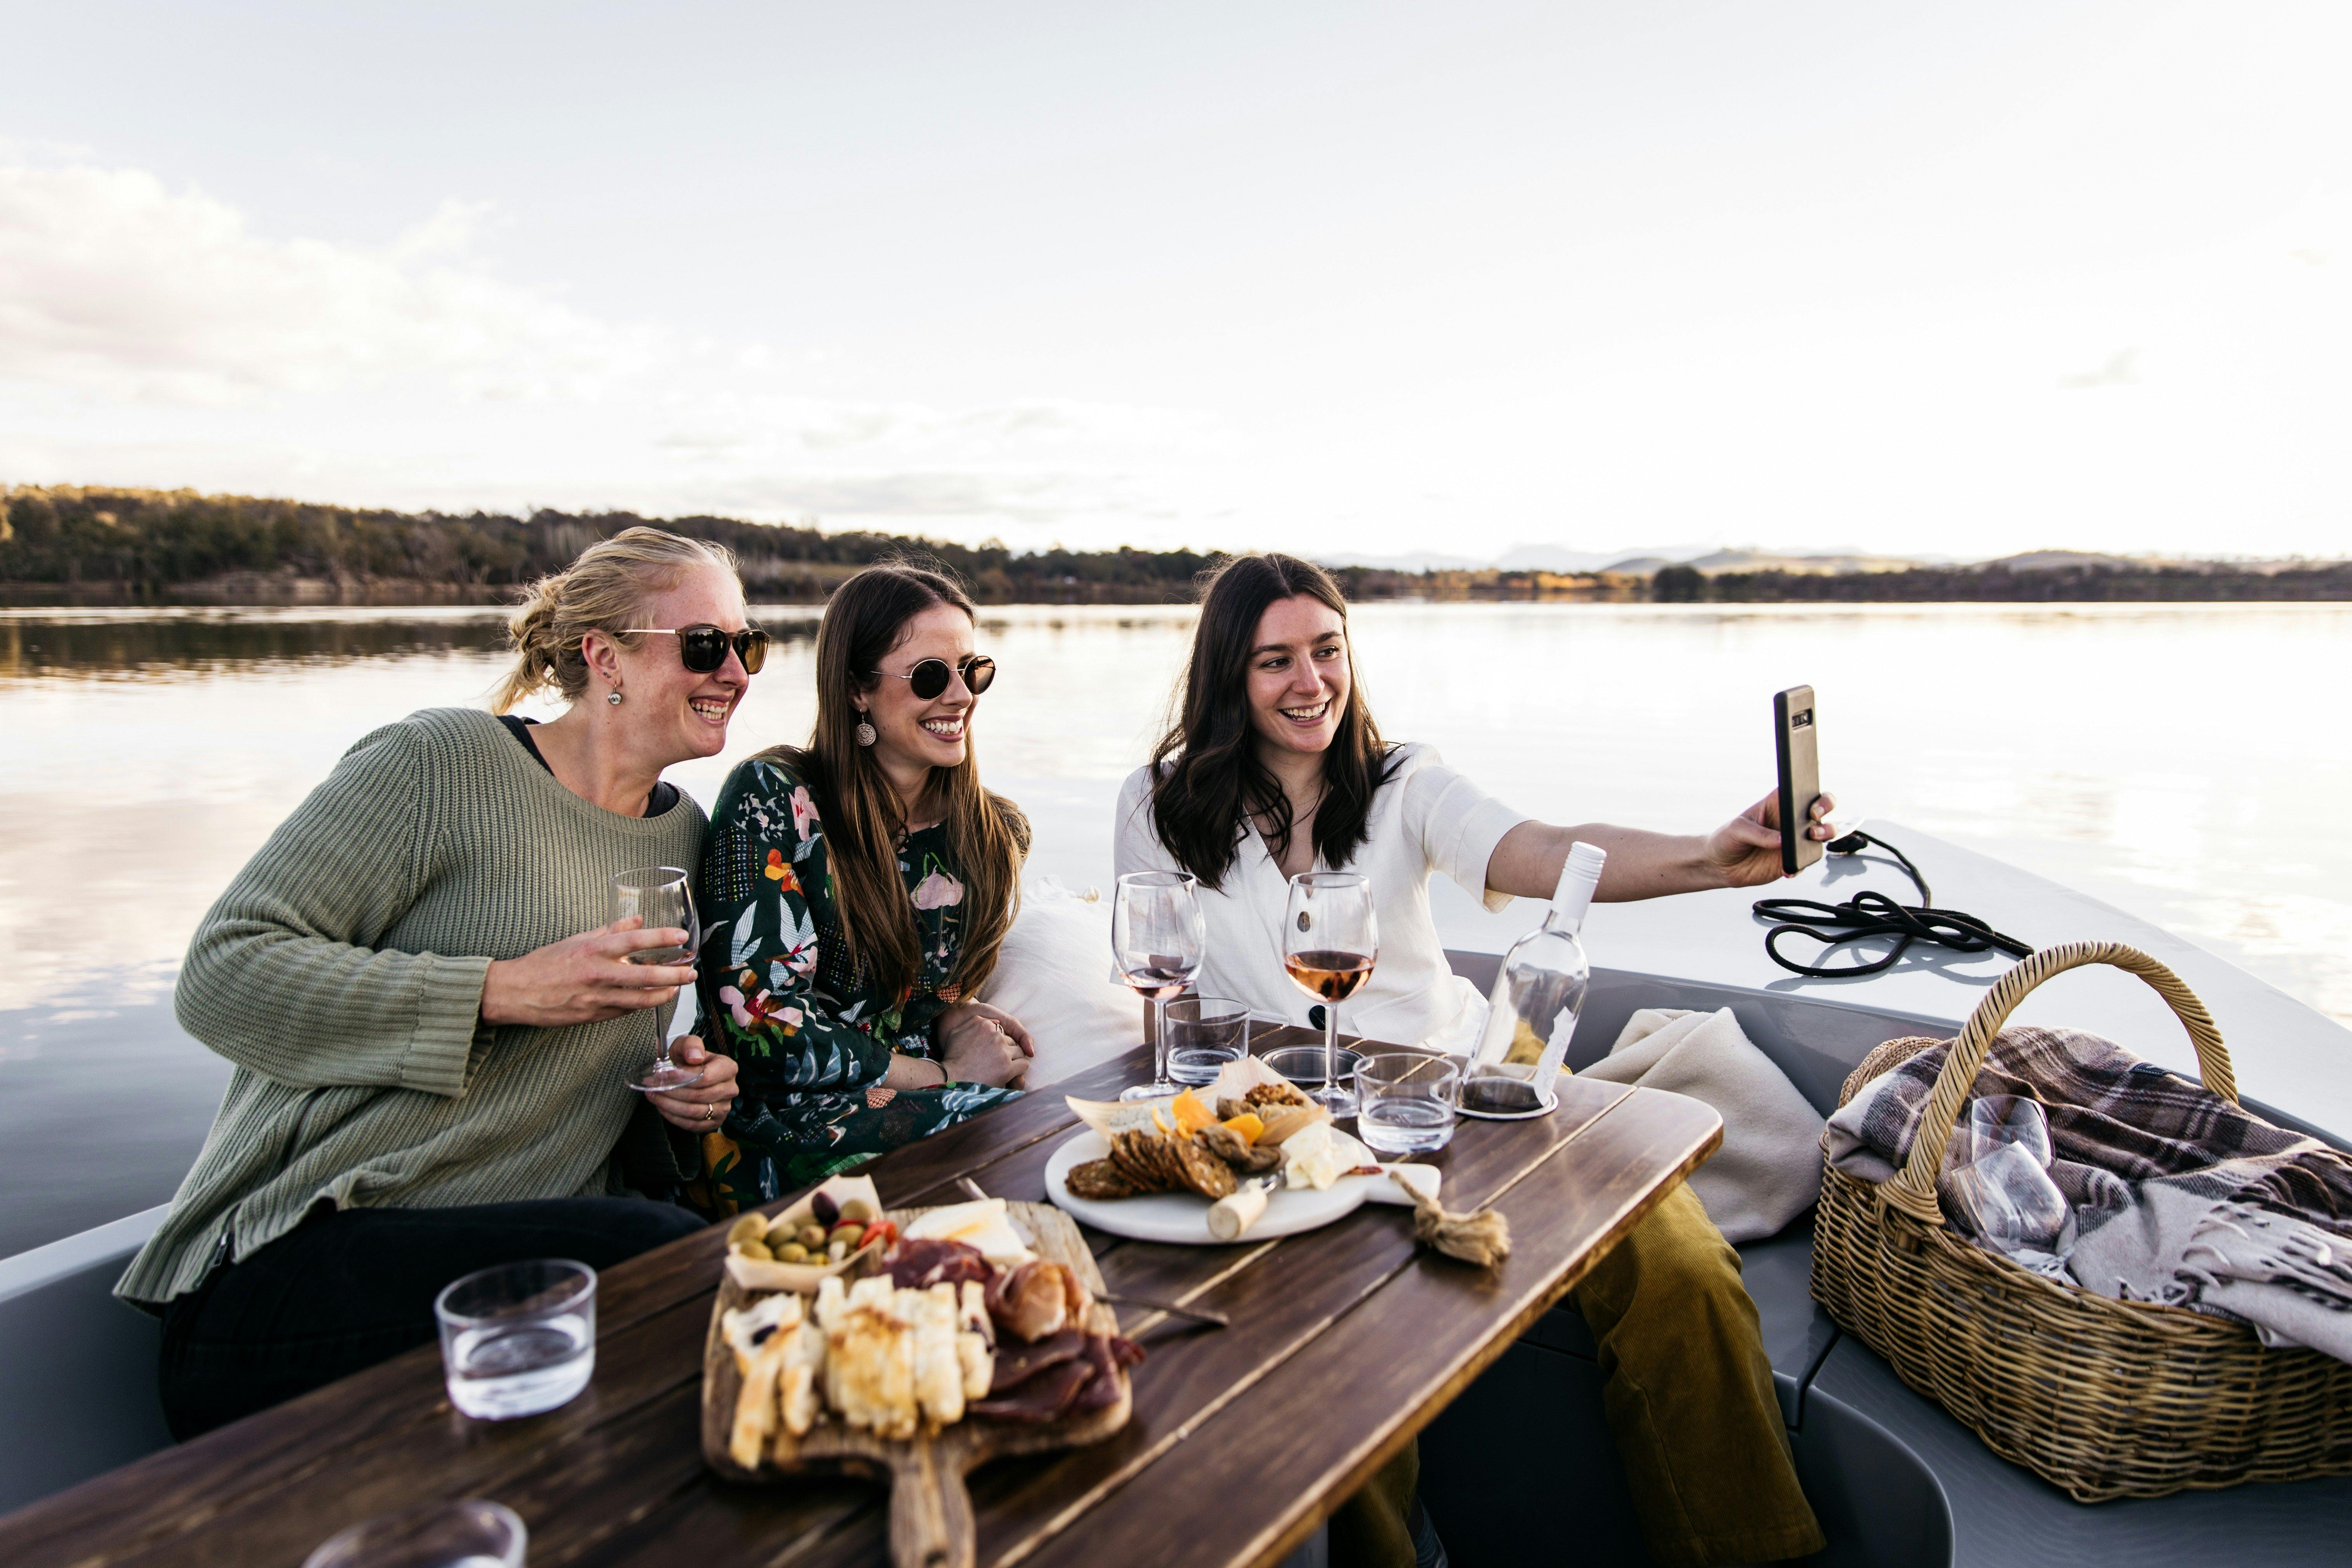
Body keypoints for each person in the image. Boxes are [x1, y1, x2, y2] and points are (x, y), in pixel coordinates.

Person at [1114, 552, 1831, 1568]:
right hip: (1283, 1132)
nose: (1310, 682)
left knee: (1684, 1269)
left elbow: (1535, 850)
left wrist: (1710, 860)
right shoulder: (1153, 805)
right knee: (1339, 1373)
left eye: (1327, 651)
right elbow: (1166, 996)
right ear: (1227, 676)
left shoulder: (1404, 783)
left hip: (1466, 1096)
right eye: (1275, 662)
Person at [119, 527, 757, 1439]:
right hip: (287, 1277)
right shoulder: (439, 765)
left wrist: (678, 1092)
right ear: (603, 655)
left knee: (698, 1262)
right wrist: (496, 990)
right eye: (706, 645)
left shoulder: (682, 835)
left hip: (508, 1275)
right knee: (660, 1268)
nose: (734, 670)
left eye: (749, 646)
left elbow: (569, 1091)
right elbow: (223, 969)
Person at [690, 562, 1035, 1211]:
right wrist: (945, 1075)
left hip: (931, 1094)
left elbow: (936, 990)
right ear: (857, 690)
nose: (961, 695)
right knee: (1016, 1134)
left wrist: (957, 1016)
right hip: (794, 1114)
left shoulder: (994, 834)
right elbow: (767, 1030)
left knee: (1048, 1124)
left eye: (974, 670)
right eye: (931, 675)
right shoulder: (775, 801)